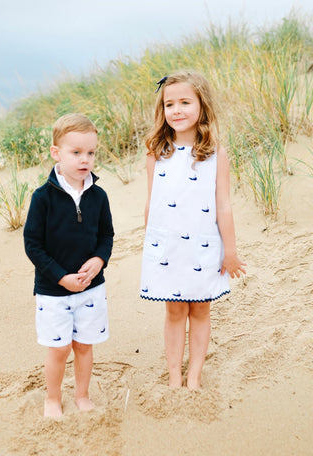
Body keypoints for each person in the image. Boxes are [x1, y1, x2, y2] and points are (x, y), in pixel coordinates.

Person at [140, 71, 245, 390]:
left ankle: (195, 376)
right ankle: (174, 377)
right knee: (174, 311)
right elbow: (151, 203)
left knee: (200, 309)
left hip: (204, 246)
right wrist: (149, 247)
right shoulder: (155, 153)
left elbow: (223, 205)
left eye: (185, 102)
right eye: (169, 104)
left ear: (202, 105)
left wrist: (230, 251)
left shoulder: (216, 154)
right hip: (167, 248)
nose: (177, 110)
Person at [24, 113, 114, 418]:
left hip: (91, 288)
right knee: (59, 348)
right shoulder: (43, 198)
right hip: (53, 290)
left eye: (90, 152)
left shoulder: (98, 196)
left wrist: (99, 259)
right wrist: (61, 278)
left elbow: (106, 235)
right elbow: (33, 245)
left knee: (84, 345)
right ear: (56, 153)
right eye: (75, 152)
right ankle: (52, 398)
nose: (84, 159)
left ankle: (82, 395)